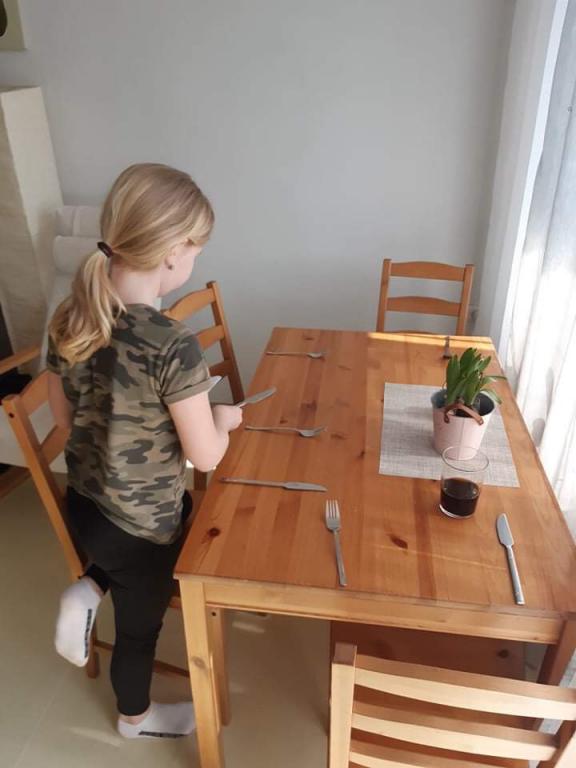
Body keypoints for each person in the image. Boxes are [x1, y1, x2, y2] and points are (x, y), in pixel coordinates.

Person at [46, 163, 242, 739]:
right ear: (174, 253)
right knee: (139, 631)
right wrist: (223, 420)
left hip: (85, 509)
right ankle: (135, 718)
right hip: (143, 529)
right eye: (196, 250)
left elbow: (64, 421)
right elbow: (207, 457)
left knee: (135, 555)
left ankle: (89, 586)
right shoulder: (171, 345)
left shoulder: (70, 314)